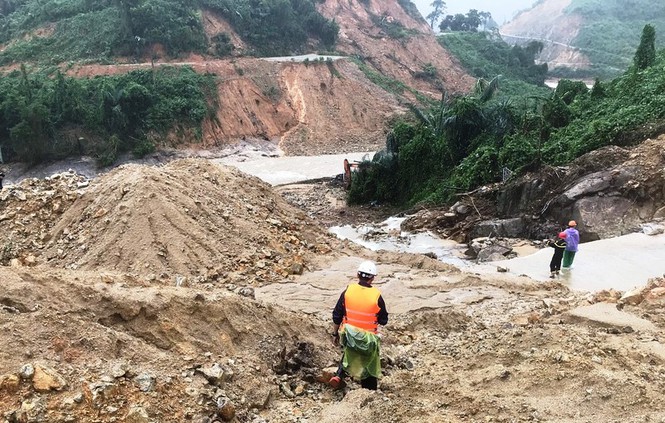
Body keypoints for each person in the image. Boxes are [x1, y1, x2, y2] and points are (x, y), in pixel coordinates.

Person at [329, 260, 388, 391]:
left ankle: (339, 375)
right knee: (369, 363)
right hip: (368, 339)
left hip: (349, 335)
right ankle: (368, 391)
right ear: (372, 278)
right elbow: (384, 320)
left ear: (357, 275)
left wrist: (335, 334)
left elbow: (337, 315)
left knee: (349, 350)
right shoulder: (376, 296)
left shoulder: (348, 291)